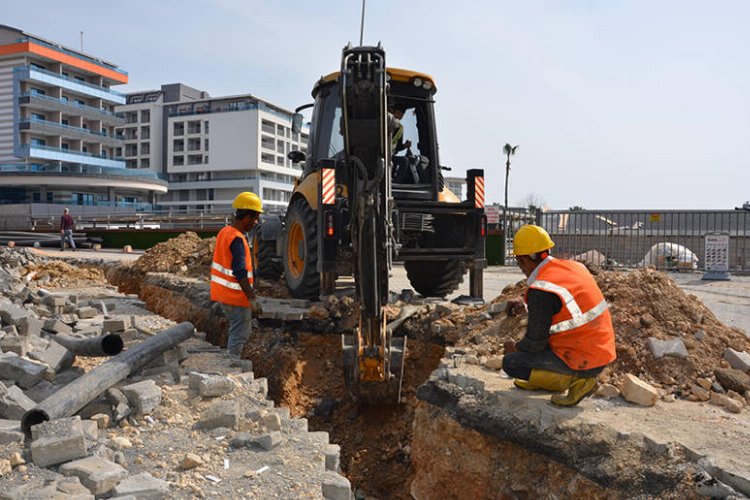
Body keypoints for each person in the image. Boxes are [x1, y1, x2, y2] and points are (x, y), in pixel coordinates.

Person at [501, 224, 616, 406]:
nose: (521, 268)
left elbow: (535, 342)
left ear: (523, 259)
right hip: (599, 351)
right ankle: (549, 380)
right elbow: (560, 304)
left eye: (519, 262)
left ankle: (576, 381)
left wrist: (516, 348)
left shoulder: (541, 291)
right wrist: (524, 303)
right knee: (531, 353)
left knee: (511, 363)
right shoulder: (572, 267)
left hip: (583, 360)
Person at [210, 192, 264, 357]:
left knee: (236, 330)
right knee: (239, 336)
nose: (256, 223)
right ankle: (233, 367)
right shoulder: (237, 239)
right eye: (255, 218)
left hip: (224, 296)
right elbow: (240, 271)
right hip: (237, 298)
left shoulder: (225, 232)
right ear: (246, 216)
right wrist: (252, 299)